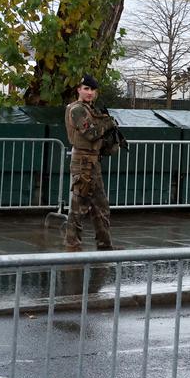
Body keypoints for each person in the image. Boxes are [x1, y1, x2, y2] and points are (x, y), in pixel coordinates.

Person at [63, 76, 118, 252]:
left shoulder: (90, 109)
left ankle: (105, 244)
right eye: (86, 89)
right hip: (83, 162)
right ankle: (72, 245)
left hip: (93, 161)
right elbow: (91, 133)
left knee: (101, 206)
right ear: (78, 89)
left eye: (92, 90)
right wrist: (108, 124)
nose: (90, 93)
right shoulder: (77, 109)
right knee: (79, 206)